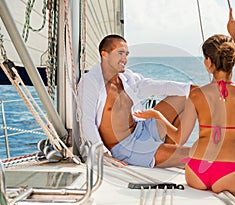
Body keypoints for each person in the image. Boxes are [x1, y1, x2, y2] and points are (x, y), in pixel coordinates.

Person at [134, 8, 235, 205]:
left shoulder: (196, 94)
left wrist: (157, 115)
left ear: (208, 62)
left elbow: (178, 139)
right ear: (231, 62)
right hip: (231, 170)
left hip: (198, 172)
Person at [77, 34, 191, 168]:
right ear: (104, 54)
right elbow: (87, 120)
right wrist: (103, 154)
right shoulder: (90, 81)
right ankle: (169, 155)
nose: (124, 59)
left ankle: (169, 151)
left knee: (185, 96)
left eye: (126, 54)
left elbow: (154, 85)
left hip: (142, 129)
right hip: (128, 148)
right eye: (120, 53)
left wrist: (193, 89)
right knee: (194, 153)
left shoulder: (126, 76)